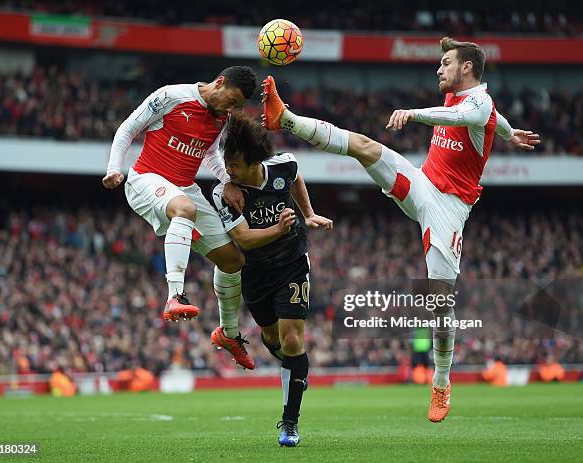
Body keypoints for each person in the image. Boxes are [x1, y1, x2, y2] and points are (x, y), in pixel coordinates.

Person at [261, 37, 541, 422]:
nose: (439, 70)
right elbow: (496, 121)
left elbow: (468, 117)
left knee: (441, 302)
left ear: (467, 69)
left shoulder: (477, 105)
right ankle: (285, 118)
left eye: (445, 63)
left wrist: (413, 113)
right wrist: (511, 135)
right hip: (422, 184)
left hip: (449, 208)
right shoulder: (476, 103)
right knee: (363, 146)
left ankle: (441, 382)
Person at [103, 66, 258, 369]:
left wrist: (227, 180)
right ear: (220, 82)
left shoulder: (221, 116)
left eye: (238, 106)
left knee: (233, 261)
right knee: (184, 208)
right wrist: (114, 167)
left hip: (184, 187)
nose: (232, 109)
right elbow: (128, 128)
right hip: (146, 178)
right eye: (232, 100)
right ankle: (175, 295)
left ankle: (228, 334)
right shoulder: (171, 96)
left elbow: (210, 154)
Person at [210, 112, 332, 446]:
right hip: (256, 273)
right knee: (273, 338)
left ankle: (289, 423)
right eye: (226, 163)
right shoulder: (223, 194)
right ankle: (297, 371)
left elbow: (295, 178)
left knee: (292, 339)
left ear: (254, 161)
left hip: (292, 264)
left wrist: (308, 214)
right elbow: (245, 240)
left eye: (234, 165)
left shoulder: (283, 165)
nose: (228, 171)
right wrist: (278, 227)